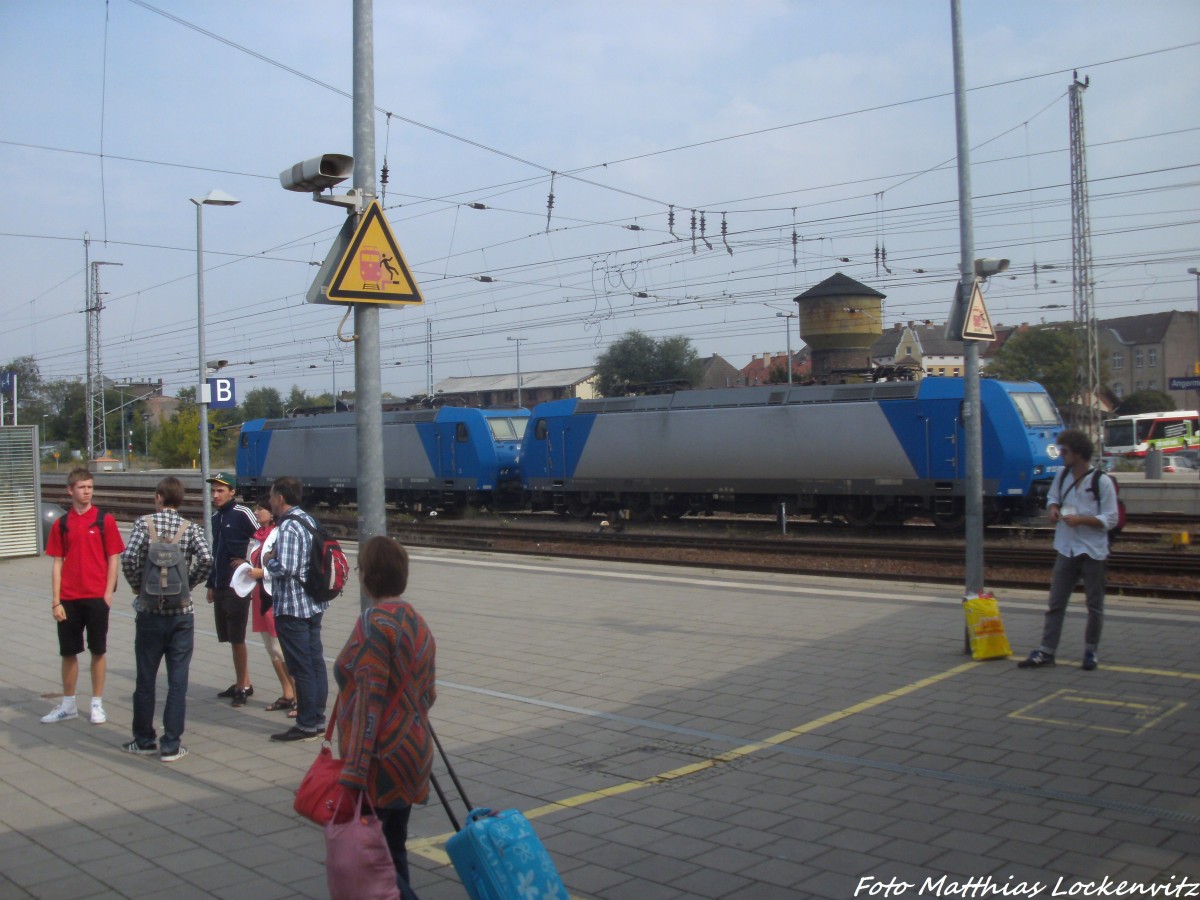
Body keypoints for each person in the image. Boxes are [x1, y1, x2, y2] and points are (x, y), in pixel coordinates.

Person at [335, 536, 436, 900]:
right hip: (414, 752)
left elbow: (368, 705)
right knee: (393, 852)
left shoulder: (373, 625)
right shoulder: (418, 623)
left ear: (367, 576)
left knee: (374, 862)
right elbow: (430, 694)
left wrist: (354, 772)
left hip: (380, 760)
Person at [119, 476, 212, 762]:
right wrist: (189, 584)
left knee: (145, 679)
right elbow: (207, 559)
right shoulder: (191, 529)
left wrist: (138, 585)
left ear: (159, 497)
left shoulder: (143, 524)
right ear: (180, 500)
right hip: (181, 615)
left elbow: (128, 558)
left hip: (149, 614)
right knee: (177, 681)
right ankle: (171, 744)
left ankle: (144, 739)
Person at [1018, 428, 1120, 671]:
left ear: (1078, 453)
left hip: (1092, 549)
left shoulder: (1101, 481)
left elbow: (1111, 517)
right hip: (1066, 547)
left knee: (1094, 604)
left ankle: (1091, 651)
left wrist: (1083, 520)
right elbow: (1053, 497)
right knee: (1056, 602)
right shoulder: (1062, 475)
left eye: (1064, 451)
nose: (1060, 455)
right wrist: (1053, 508)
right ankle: (1046, 651)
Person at [41, 466, 125, 725]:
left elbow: (114, 557)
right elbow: (57, 563)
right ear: (70, 490)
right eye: (82, 487)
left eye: (90, 487)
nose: (87, 491)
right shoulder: (62, 524)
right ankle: (68, 704)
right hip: (69, 598)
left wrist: (108, 594)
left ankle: (97, 703)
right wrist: (56, 600)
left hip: (96, 597)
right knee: (69, 652)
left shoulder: (104, 520)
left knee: (98, 650)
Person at [265, 476, 330, 741]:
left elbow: (287, 568)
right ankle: (317, 719)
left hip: (294, 608)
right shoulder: (309, 519)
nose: (269, 501)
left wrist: (268, 561)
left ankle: (305, 723)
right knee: (315, 663)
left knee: (302, 666)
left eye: (271, 496)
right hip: (313, 603)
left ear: (280, 498)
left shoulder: (290, 527)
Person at [205, 472, 258, 707]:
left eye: (220, 490)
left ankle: (242, 687)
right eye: (213, 491)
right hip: (221, 585)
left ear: (232, 492)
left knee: (237, 637)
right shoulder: (216, 518)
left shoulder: (242, 513)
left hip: (239, 586)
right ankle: (243, 680)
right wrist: (210, 583)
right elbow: (216, 553)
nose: (215, 495)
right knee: (228, 636)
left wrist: (250, 564)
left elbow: (263, 538)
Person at [245, 496, 296, 714]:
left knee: (280, 648)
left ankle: (299, 696)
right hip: (258, 595)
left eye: (260, 509)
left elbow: (283, 567)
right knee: (270, 649)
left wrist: (261, 572)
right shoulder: (257, 536)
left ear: (271, 512)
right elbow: (254, 560)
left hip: (273, 596)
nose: (256, 513)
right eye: (256, 509)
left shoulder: (277, 534)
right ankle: (287, 692)